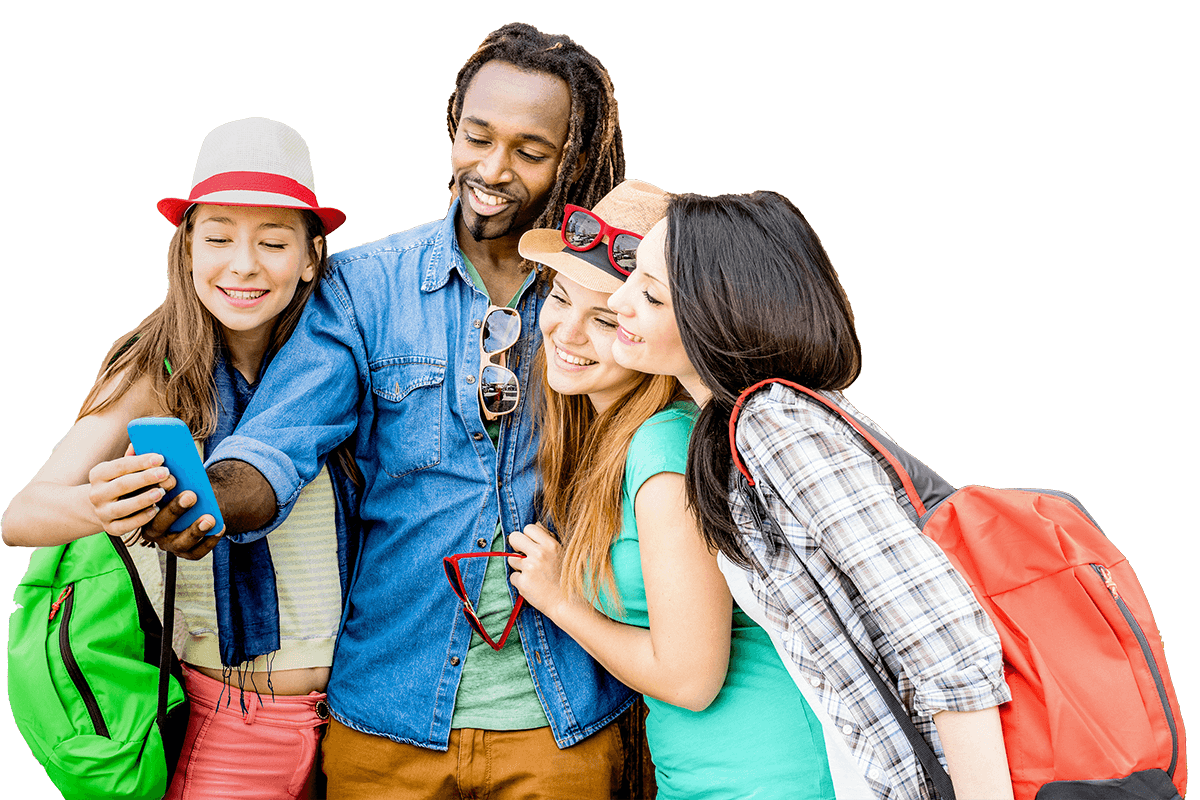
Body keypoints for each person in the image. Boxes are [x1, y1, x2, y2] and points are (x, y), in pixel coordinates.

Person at [137, 23, 633, 800]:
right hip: (388, 722)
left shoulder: (611, 297)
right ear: (451, 129)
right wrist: (206, 501)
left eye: (530, 152)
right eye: (477, 137)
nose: (493, 169)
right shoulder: (365, 287)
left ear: (573, 157)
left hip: (564, 718)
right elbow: (278, 441)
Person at [606, 190, 1016, 800]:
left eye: (650, 294)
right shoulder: (729, 430)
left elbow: (945, 636)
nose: (617, 301)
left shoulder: (775, 424)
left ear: (715, 315)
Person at [2, 116, 356, 800]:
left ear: (312, 256)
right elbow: (21, 516)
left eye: (274, 242)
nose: (244, 264)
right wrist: (97, 506)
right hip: (233, 725)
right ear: (187, 247)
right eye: (218, 237)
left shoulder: (346, 362)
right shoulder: (153, 370)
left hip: (361, 716)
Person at [506, 179, 837, 798]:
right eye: (559, 296)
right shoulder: (616, 439)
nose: (567, 332)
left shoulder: (664, 447)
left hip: (765, 774)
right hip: (714, 770)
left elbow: (690, 678)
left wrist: (559, 601)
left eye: (605, 316)